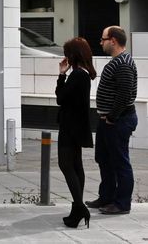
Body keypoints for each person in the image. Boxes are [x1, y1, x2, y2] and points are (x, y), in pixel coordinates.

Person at [86, 26, 138, 215]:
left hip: (118, 121)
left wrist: (112, 117)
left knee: (120, 162)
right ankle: (106, 197)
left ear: (113, 40)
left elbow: (124, 95)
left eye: (103, 39)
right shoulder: (118, 61)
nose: (101, 42)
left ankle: (122, 203)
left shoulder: (123, 63)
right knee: (104, 159)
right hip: (109, 120)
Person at [56, 37, 95, 228]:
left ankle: (79, 207)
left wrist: (61, 74)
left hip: (70, 128)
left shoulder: (78, 75)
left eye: (67, 54)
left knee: (66, 165)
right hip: (77, 127)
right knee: (76, 166)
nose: (66, 58)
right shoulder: (84, 73)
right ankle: (76, 209)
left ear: (73, 55)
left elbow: (60, 98)